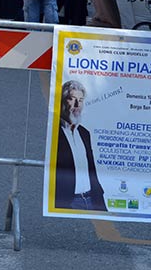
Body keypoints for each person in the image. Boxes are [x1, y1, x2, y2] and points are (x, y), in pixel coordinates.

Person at [54, 80, 106, 211]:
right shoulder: (54, 132)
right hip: (67, 201)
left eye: (81, 100)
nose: (77, 105)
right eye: (72, 99)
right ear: (63, 101)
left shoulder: (84, 133)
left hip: (91, 199)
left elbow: (91, 169)